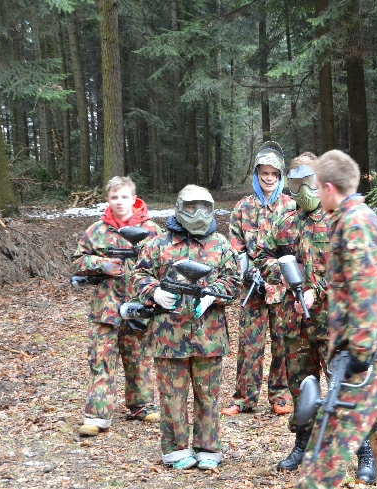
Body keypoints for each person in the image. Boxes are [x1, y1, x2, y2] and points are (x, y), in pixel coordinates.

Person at [267, 150, 377, 489]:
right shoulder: (357, 217)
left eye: (314, 186)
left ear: (327, 187)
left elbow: (365, 289)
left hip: (368, 347)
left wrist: (358, 350)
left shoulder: (354, 223)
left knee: (338, 422)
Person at [257, 153, 376, 483]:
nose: (302, 191)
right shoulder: (285, 220)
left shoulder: (338, 219)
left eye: (307, 182)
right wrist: (284, 273)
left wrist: (316, 290)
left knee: (346, 387)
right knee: (300, 386)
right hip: (294, 320)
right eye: (295, 184)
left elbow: (347, 270)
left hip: (331, 321)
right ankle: (303, 444)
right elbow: (262, 255)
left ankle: (365, 452)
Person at [132, 185, 241, 470]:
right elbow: (140, 275)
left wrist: (213, 294)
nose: (198, 213)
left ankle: (208, 448)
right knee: (172, 397)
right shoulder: (158, 243)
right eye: (191, 208)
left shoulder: (220, 243)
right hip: (169, 335)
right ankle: (176, 449)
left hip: (209, 334)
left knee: (208, 394)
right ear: (180, 208)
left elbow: (234, 280)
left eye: (204, 207)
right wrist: (154, 292)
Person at [72, 176, 163, 436]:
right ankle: (97, 415)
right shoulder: (96, 231)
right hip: (106, 308)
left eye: (124, 197)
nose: (120, 202)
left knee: (139, 358)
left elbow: (165, 261)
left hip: (138, 305)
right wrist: (102, 265)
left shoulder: (151, 229)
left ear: (134, 199)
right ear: (107, 200)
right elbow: (77, 262)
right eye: (114, 197)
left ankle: (142, 405)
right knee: (101, 359)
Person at [222, 141, 296, 416]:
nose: (269, 178)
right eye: (264, 173)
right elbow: (235, 247)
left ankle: (280, 395)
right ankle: (244, 397)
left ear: (280, 176)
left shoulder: (291, 207)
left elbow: (298, 246)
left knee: (282, 342)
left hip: (282, 287)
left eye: (274, 174)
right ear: (256, 174)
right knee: (249, 344)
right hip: (252, 288)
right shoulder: (243, 208)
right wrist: (246, 270)